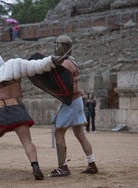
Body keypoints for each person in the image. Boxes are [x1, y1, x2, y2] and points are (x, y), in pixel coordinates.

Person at [0, 51, 62, 181]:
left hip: (1, 111)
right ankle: (36, 168)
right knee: (27, 142)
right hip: (18, 109)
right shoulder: (15, 74)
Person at [48, 35, 98, 177]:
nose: (57, 48)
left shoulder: (66, 64)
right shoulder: (69, 62)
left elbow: (56, 80)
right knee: (79, 133)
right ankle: (92, 163)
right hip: (75, 101)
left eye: (59, 45)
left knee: (59, 132)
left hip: (71, 102)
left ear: (65, 47)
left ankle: (62, 167)